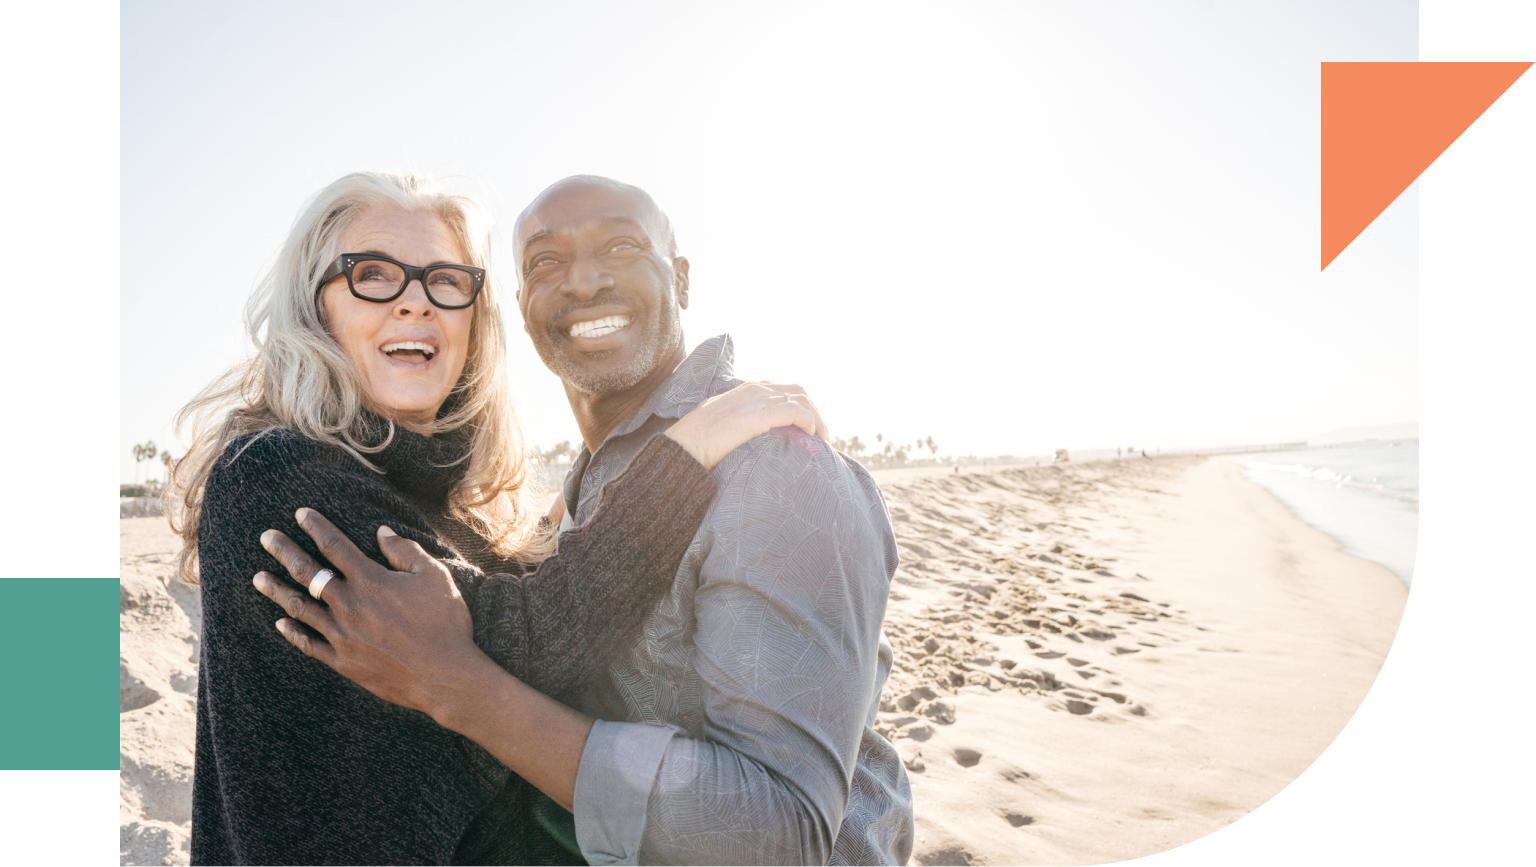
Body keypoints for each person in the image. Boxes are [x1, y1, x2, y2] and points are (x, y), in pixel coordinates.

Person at [168, 171, 828, 866]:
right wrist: (688, 447)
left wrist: (577, 498)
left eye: (444, 281)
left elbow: (476, 594)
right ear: (314, 307)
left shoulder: (405, 481)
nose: (415, 302)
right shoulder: (279, 473)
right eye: (373, 275)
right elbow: (531, 643)